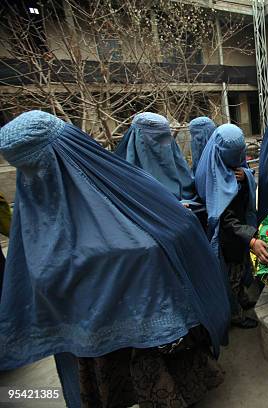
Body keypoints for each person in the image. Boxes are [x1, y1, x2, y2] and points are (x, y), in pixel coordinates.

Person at [0, 111, 230, 407]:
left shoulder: (118, 185)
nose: (33, 176)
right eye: (25, 169)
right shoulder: (37, 210)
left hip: (146, 332)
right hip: (98, 341)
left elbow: (174, 230)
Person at [196, 123, 268, 329]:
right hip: (229, 237)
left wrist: (246, 177)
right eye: (233, 155)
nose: (238, 160)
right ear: (222, 154)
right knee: (231, 277)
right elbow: (224, 218)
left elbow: (247, 184)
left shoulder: (230, 166)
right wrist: (251, 239)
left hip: (240, 234)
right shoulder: (214, 175)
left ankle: (242, 299)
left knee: (239, 270)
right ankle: (235, 315)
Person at [115, 112, 196, 201]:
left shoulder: (177, 163)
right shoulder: (118, 175)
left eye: (164, 138)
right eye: (155, 138)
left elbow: (188, 190)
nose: (162, 144)